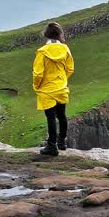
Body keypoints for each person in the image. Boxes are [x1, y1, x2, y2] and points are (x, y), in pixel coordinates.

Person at [32, 22, 74, 156]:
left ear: (46, 35)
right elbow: (70, 68)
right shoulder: (65, 49)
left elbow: (38, 73)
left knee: (50, 118)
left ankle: (52, 146)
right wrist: (62, 80)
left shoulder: (42, 52)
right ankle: (62, 142)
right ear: (59, 34)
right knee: (62, 115)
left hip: (47, 90)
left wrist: (36, 86)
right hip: (61, 88)